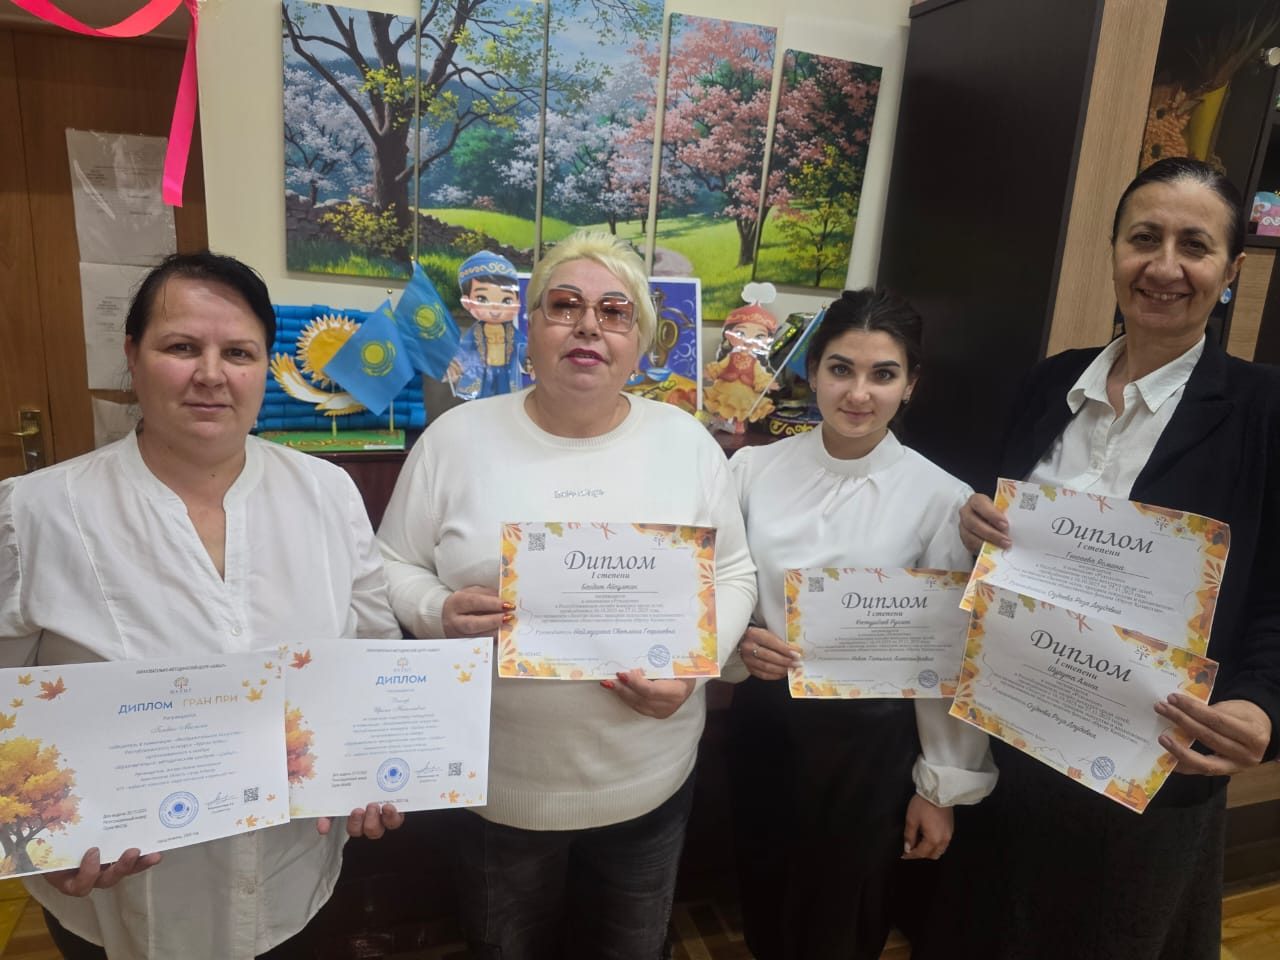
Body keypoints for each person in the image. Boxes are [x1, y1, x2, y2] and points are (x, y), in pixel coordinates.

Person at [0, 252, 405, 960]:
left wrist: (376, 764)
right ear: (133, 357)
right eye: (182, 347)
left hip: (293, 883)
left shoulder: (327, 493)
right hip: (119, 898)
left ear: (265, 367)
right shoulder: (34, 512)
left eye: (239, 353)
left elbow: (373, 657)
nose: (212, 374)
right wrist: (26, 837)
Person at [932, 156, 1280, 960]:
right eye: (1144, 238)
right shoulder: (1051, 383)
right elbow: (1009, 538)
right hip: (1012, 742)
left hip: (1148, 773)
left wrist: (1261, 704)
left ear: (1230, 271)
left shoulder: (1264, 410)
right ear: (1115, 249)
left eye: (1195, 246)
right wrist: (980, 529)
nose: (1164, 266)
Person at [377, 229, 757, 959]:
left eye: (614, 311)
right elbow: (391, 563)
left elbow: (734, 572)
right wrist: (436, 611)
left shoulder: (687, 444)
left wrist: (697, 669)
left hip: (648, 779)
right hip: (498, 786)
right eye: (564, 305)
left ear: (639, 342)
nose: (588, 325)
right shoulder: (455, 439)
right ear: (531, 328)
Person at [725, 289, 996, 960]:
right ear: (813, 371)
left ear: (910, 385)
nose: (858, 393)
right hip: (766, 724)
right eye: (841, 369)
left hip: (871, 746)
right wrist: (740, 641)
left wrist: (941, 785)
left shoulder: (942, 499)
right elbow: (722, 587)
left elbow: (948, 654)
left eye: (884, 374)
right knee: (764, 897)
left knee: (843, 921)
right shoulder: (751, 470)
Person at [447, 250, 527, 399]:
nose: (495, 307)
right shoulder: (475, 332)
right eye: (482, 299)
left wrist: (530, 362)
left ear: (518, 302)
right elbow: (465, 350)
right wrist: (456, 366)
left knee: (507, 402)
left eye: (506, 300)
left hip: (507, 374)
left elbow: (523, 348)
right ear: (466, 302)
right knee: (482, 404)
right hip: (482, 376)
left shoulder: (512, 333)